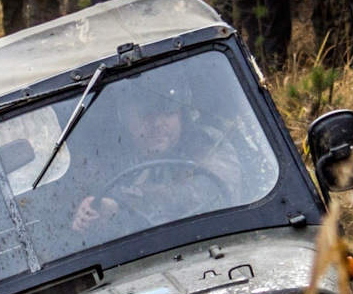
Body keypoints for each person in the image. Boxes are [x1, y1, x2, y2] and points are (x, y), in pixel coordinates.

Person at [67, 78, 246, 239]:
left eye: (167, 112)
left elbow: (207, 190)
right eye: (146, 115)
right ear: (126, 119)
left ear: (181, 115)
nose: (157, 123)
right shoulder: (109, 159)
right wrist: (89, 214)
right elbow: (71, 215)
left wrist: (120, 204)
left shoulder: (208, 144)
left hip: (215, 239)